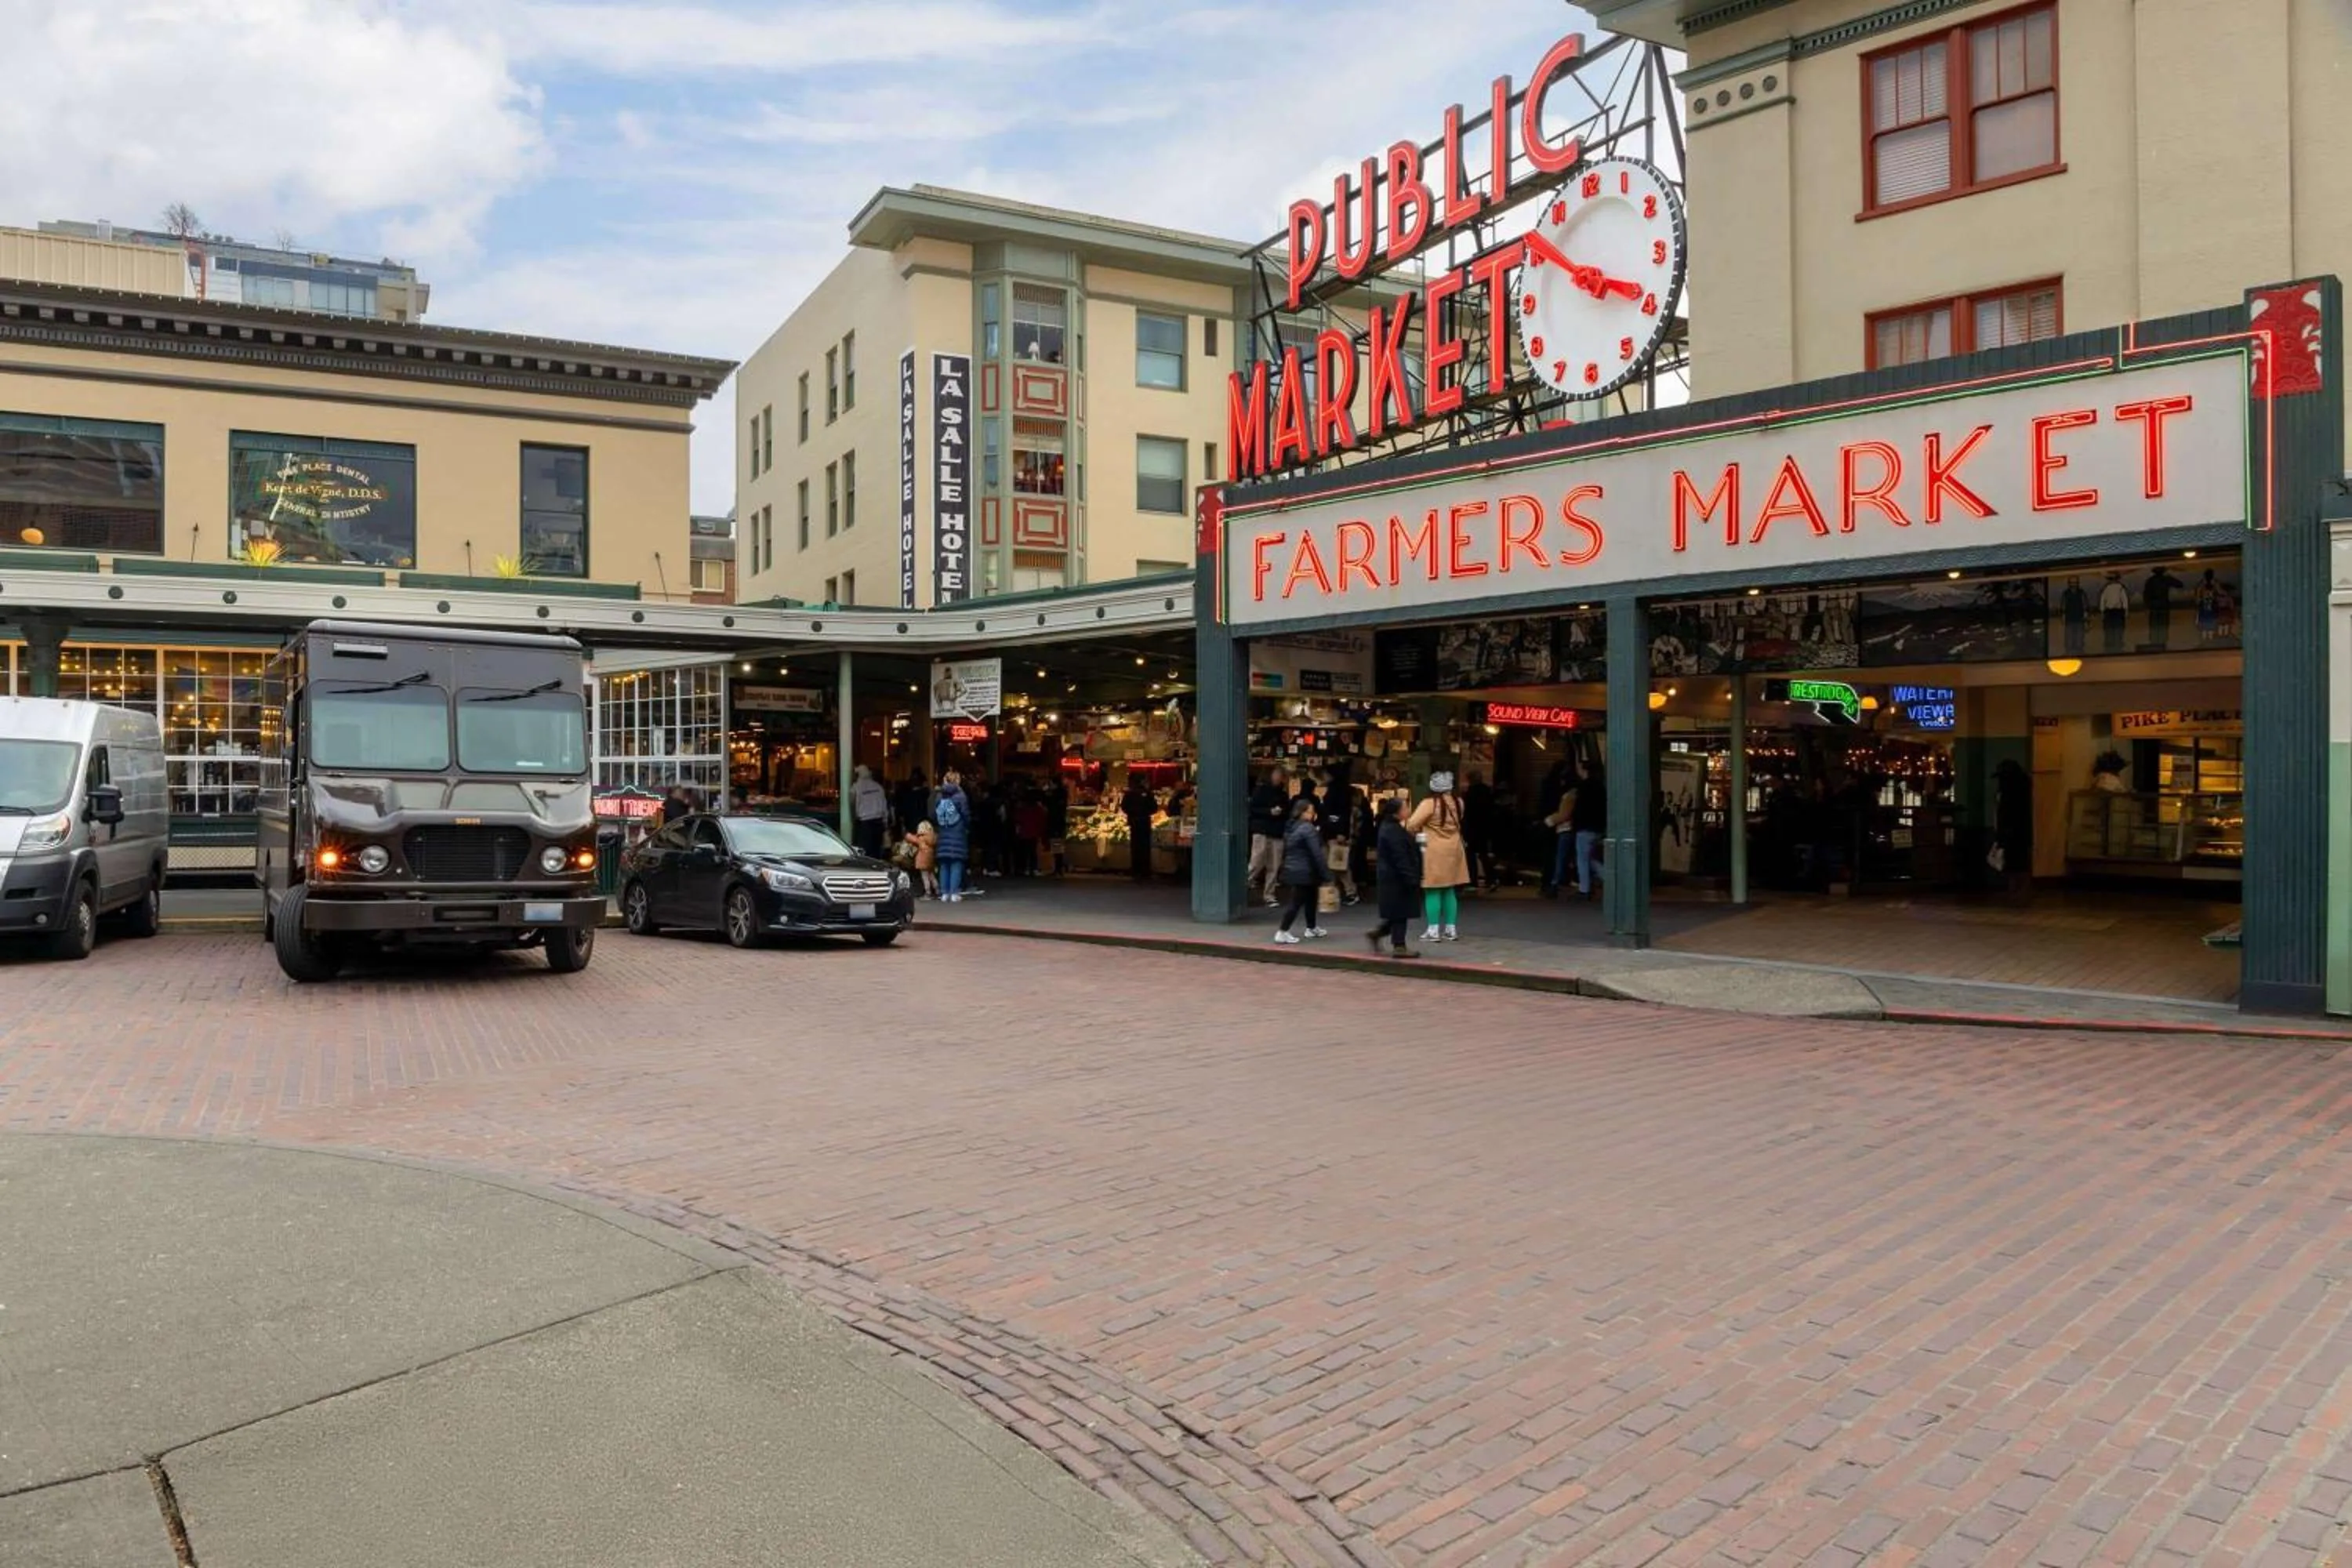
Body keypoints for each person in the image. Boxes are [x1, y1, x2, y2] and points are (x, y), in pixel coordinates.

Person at [1406, 771, 1469, 943]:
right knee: (1449, 889)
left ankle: (1433, 930)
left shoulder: (1429, 803)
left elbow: (1412, 824)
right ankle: (1451, 930)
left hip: (1434, 851)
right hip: (1454, 849)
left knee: (1432, 889)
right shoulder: (1459, 802)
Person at [1366, 797, 1422, 958]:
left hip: (1394, 877)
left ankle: (1377, 933)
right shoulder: (1392, 831)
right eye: (1405, 808)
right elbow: (1400, 857)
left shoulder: (1393, 827)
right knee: (1400, 912)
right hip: (1396, 878)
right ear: (1397, 812)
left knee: (1397, 912)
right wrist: (1410, 877)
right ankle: (1399, 945)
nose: (1408, 810)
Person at [1272, 796, 1329, 944]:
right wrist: (1325, 873)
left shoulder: (1292, 826)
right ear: (1303, 813)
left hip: (1295, 868)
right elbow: (1316, 853)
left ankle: (1312, 927)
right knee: (1296, 902)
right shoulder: (1308, 828)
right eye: (1310, 812)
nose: (1313, 815)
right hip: (1305, 870)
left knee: (1310, 898)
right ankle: (1282, 931)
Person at [1246, 768, 1290, 907]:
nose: (1279, 777)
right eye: (1278, 774)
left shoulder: (1283, 793)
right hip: (1263, 830)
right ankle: (1242, 887)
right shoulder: (1261, 790)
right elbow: (1252, 809)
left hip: (1275, 831)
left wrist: (1280, 812)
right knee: (1256, 862)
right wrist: (1270, 812)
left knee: (1274, 865)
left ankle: (1269, 895)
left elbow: (1287, 811)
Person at [1994, 758, 2034, 901]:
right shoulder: (2024, 786)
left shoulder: (2009, 791)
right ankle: (2019, 891)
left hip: (2012, 831)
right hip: (2020, 831)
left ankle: (2016, 890)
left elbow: (2004, 812)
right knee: (2019, 861)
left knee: (2014, 862)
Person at [931, 770, 972, 902]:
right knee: (956, 862)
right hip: (957, 831)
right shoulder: (961, 796)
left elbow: (933, 815)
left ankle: (944, 893)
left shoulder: (939, 796)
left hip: (943, 830)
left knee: (944, 863)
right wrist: (967, 826)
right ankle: (954, 893)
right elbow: (965, 814)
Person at [1570, 763, 1608, 899]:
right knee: (1590, 858)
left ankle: (1585, 889)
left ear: (1584, 770)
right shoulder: (1600, 787)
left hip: (1585, 828)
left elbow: (1579, 809)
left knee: (1583, 859)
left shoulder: (1583, 788)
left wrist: (1575, 825)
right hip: (1597, 828)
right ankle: (1610, 880)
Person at [1462, 771, 1497, 891]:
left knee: (1470, 854)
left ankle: (1473, 881)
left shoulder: (1470, 793)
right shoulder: (1488, 792)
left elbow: (1467, 812)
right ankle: (1491, 879)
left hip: (1473, 828)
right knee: (1484, 854)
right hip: (1485, 828)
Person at [1120, 775, 1158, 880]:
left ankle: (1136, 869)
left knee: (1135, 846)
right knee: (1145, 846)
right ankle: (1145, 870)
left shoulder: (1129, 794)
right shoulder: (1148, 793)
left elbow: (1124, 807)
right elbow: (1154, 808)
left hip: (1134, 822)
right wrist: (1145, 813)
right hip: (1145, 822)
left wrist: (1132, 813)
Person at [849, 764, 888, 858]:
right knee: (876, 851)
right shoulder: (878, 787)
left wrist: (853, 820)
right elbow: (884, 807)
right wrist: (885, 824)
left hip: (865, 825)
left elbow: (852, 805)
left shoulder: (855, 788)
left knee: (864, 852)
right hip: (879, 823)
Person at [1040, 772, 1070, 876]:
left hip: (1055, 821)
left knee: (1056, 844)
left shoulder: (1054, 794)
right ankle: (1059, 866)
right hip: (1059, 821)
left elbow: (1046, 802)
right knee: (1057, 844)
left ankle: (1058, 867)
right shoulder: (1063, 793)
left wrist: (1045, 792)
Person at [1013, 787, 1046, 878]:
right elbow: (1041, 821)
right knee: (1033, 852)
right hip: (1034, 833)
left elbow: (1017, 820)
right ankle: (1034, 868)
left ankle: (1025, 869)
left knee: (1024, 852)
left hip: (1024, 833)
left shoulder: (1022, 808)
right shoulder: (1038, 809)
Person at [2098, 573, 2131, 655]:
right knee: (2112, 630)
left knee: (2116, 630)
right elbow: (2103, 600)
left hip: (2116, 612)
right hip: (2111, 612)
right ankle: (2111, 647)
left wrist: (2126, 610)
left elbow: (2124, 600)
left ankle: (2117, 646)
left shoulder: (2118, 588)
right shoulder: (2109, 588)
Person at [2059, 577, 2089, 656]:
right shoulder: (2066, 594)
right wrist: (2063, 615)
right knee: (2069, 637)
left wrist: (2086, 616)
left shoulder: (2081, 593)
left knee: (2079, 637)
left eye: (2075, 583)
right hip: (2069, 618)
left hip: (2080, 618)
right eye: (2072, 583)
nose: (2073, 585)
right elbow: (2063, 606)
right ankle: (2069, 653)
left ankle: (2080, 652)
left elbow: (2085, 605)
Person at [912, 819, 940, 899]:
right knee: (931, 875)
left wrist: (907, 835)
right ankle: (937, 890)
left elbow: (913, 840)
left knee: (925, 876)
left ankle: (928, 892)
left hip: (922, 860)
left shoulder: (921, 838)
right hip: (930, 859)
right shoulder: (932, 837)